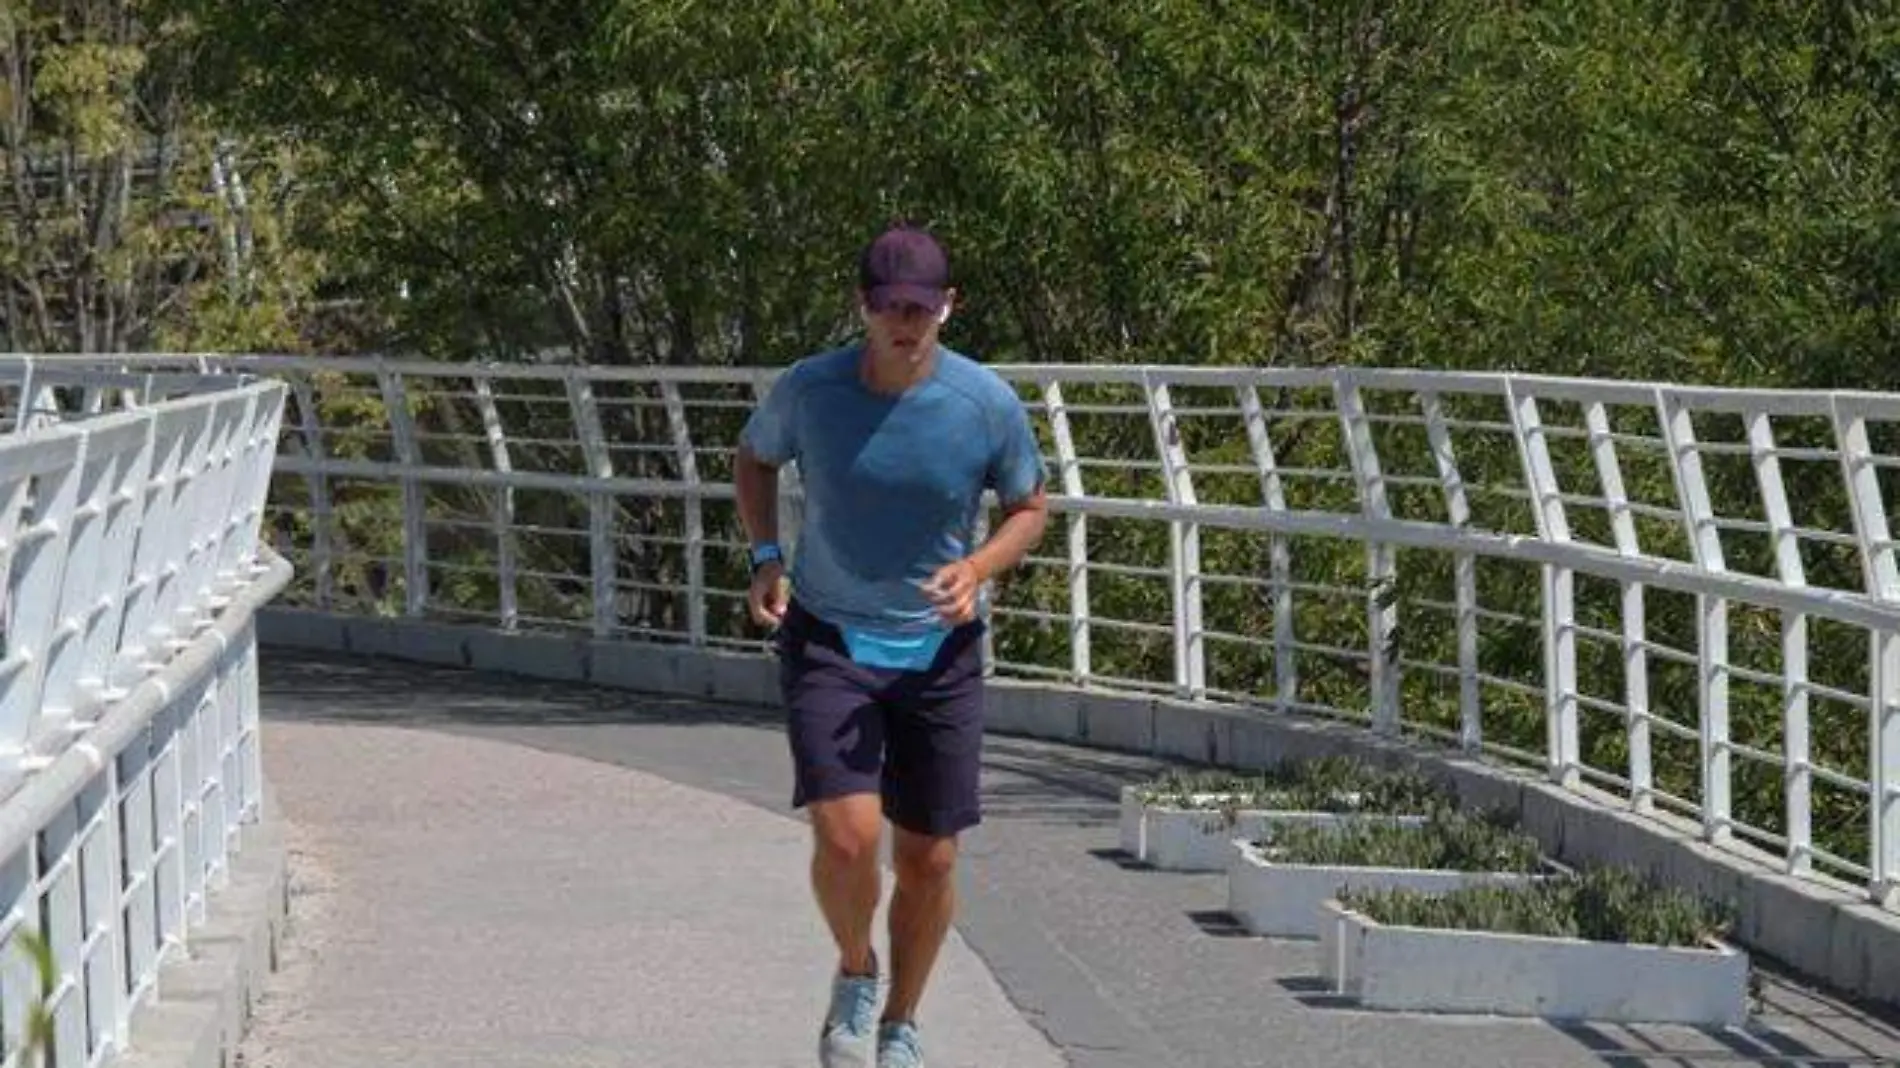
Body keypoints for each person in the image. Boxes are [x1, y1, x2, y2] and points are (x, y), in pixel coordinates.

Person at [734, 224, 1048, 1068]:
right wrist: (766, 557)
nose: (904, 324)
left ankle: (901, 1023)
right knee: (846, 837)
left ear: (948, 307)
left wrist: (977, 568)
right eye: (888, 307)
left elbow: (1029, 507)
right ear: (862, 307)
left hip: (940, 652)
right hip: (829, 636)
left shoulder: (985, 404)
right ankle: (856, 971)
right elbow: (754, 459)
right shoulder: (812, 389)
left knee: (930, 858)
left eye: (920, 308)